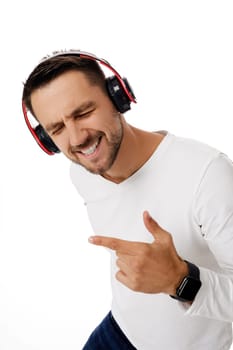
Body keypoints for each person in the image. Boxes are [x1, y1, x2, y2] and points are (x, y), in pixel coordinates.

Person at [22, 50, 233, 350]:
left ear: (118, 96)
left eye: (82, 113)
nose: (77, 138)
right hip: (117, 332)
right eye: (57, 128)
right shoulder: (82, 173)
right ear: (47, 140)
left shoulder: (208, 175)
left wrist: (180, 280)